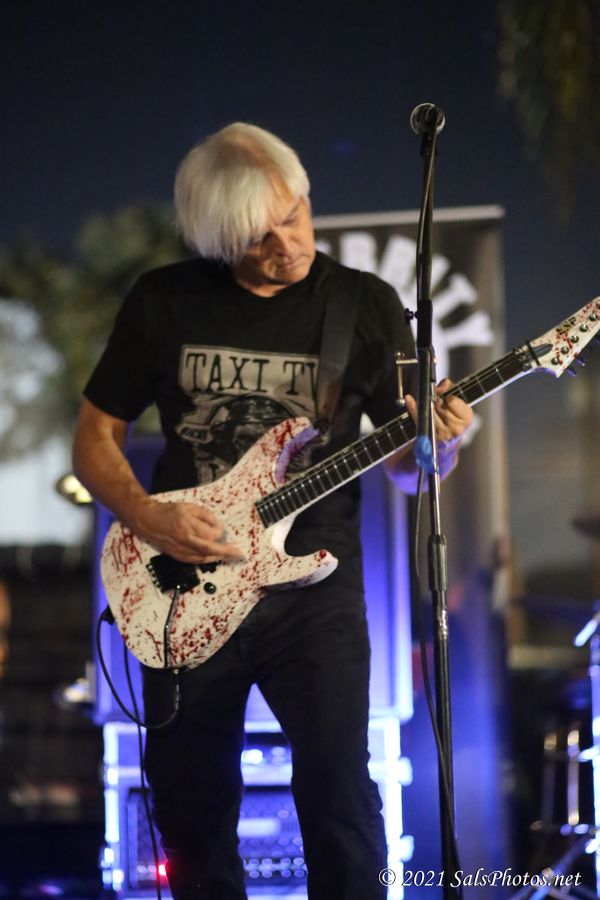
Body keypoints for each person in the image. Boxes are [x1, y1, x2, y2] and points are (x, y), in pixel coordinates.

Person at [72, 122, 473, 900]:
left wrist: (440, 446)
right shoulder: (164, 300)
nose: (288, 245)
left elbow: (409, 469)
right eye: (259, 238)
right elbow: (93, 440)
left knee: (341, 799)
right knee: (192, 810)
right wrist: (149, 518)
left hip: (312, 593)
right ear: (218, 242)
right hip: (185, 584)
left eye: (295, 216)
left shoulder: (364, 304)